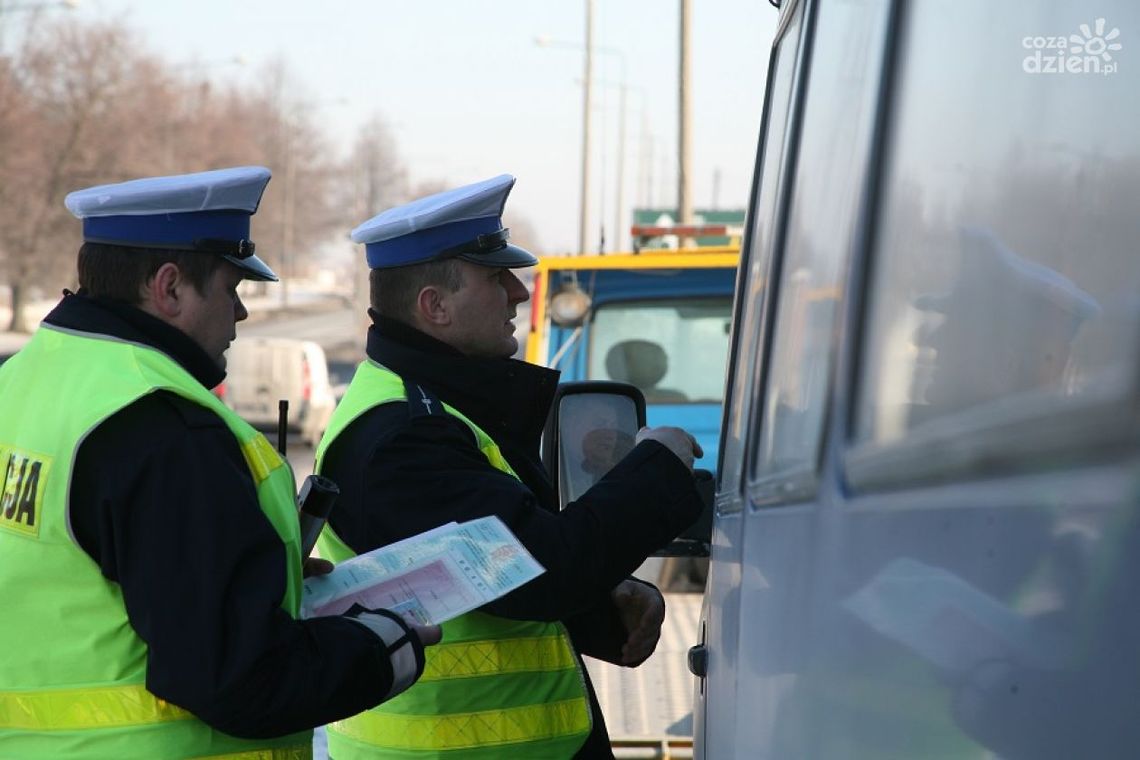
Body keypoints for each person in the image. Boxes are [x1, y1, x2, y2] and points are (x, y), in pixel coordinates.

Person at [0, 166, 440, 759]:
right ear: (170, 287)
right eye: (232, 289)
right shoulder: (164, 426)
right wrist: (385, 643)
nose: (241, 315)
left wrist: (250, 574)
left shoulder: (26, 380)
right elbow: (240, 681)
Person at [314, 174, 706, 759]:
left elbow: (475, 585)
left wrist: (602, 609)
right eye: (496, 277)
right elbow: (536, 568)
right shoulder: (402, 436)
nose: (520, 293)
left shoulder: (434, 409)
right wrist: (659, 466)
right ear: (435, 306)